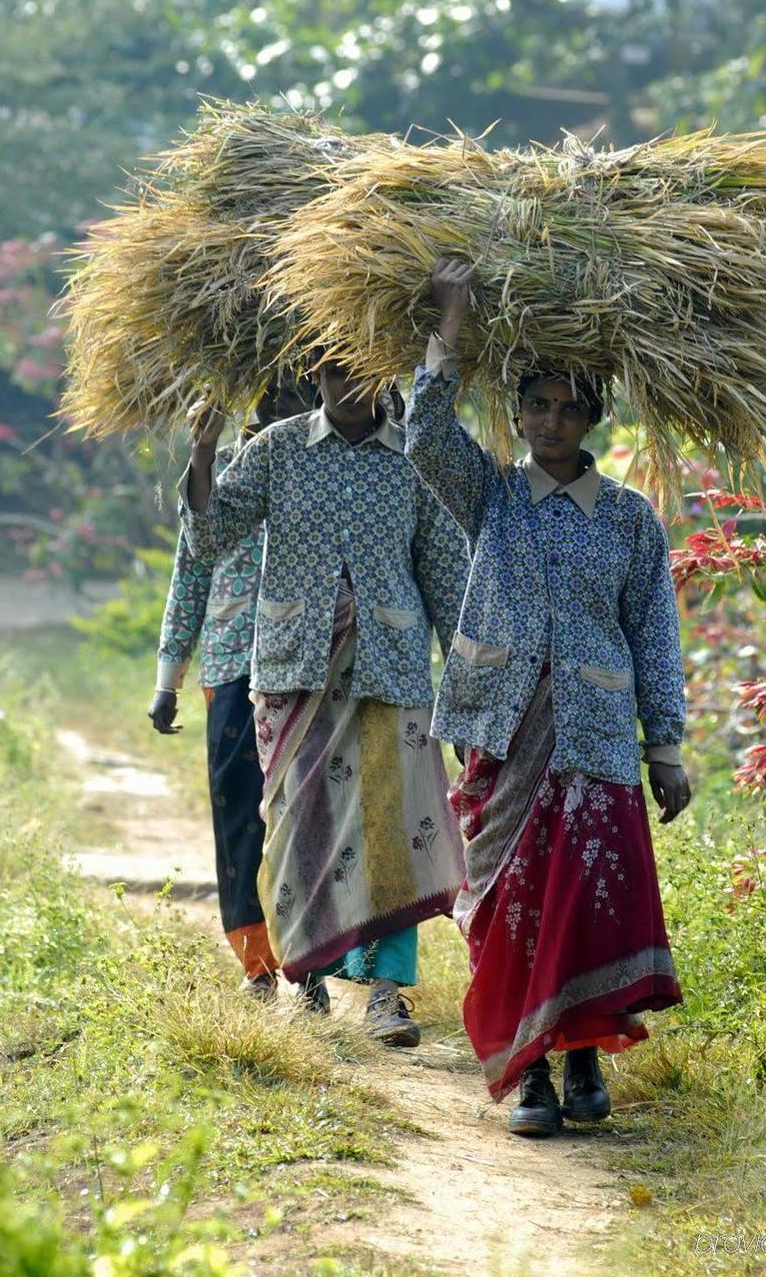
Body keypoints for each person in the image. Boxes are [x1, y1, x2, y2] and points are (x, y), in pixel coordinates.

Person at [404, 255, 691, 1137]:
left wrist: (666, 747)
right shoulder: (490, 495)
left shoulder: (630, 518)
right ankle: (528, 1075)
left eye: (571, 407)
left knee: (585, 906)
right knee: (508, 903)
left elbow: (654, 632)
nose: (554, 421)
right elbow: (421, 432)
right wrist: (452, 323)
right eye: (538, 406)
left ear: (594, 417)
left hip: (596, 738)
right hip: (500, 729)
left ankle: (578, 1060)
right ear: (518, 414)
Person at [177, 356, 470, 1047]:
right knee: (296, 830)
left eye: (365, 372)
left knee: (390, 831)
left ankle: (387, 997)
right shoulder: (276, 450)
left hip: (388, 670)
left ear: (387, 378)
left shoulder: (411, 462)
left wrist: (468, 693)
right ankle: (305, 976)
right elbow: (211, 535)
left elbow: (450, 580)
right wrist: (201, 449)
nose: (349, 386)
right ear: (317, 377)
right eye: (336, 372)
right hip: (293, 671)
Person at [148, 375, 317, 996]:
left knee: (303, 818)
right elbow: (189, 578)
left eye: (297, 396)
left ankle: (307, 961)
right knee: (239, 813)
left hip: (306, 669)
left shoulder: (324, 470)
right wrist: (169, 679)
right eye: (273, 396)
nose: (283, 407)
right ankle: (257, 961)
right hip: (229, 666)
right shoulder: (217, 472)